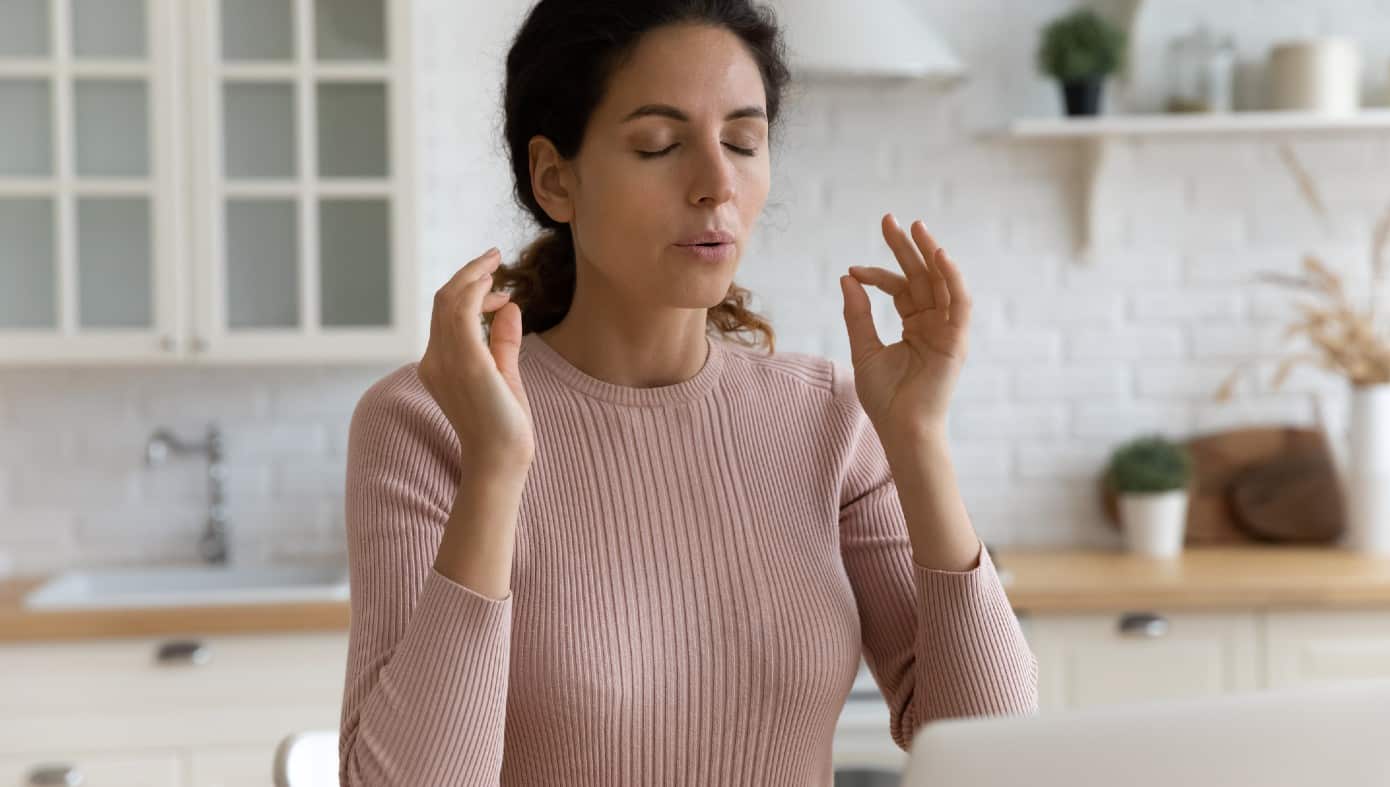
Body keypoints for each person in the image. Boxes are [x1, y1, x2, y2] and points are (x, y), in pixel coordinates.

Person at [336, 1, 1038, 784]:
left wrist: (918, 441)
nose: (716, 184)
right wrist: (497, 468)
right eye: (659, 145)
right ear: (554, 177)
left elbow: (994, 750)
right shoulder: (429, 421)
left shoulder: (828, 419)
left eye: (744, 142)